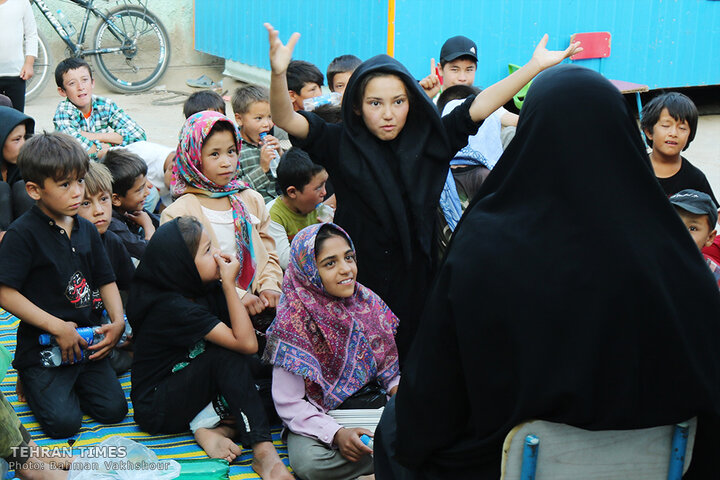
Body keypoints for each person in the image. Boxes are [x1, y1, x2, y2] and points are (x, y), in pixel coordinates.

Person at [372, 65, 720, 480]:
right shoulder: (672, 250)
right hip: (659, 463)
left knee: (395, 431)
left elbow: (433, 396)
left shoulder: (485, 245)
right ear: (623, 132)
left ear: (533, 130)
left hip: (501, 463)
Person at [265, 22, 580, 362]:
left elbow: (480, 104)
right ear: (356, 106)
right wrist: (278, 74)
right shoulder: (340, 142)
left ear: (411, 102)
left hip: (418, 277)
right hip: (356, 279)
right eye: (375, 103)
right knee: (363, 365)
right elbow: (286, 119)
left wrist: (533, 67)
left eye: (398, 101)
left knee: (415, 360)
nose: (388, 114)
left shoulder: (432, 142)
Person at [128, 217, 292, 479]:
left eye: (213, 245)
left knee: (283, 376)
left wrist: (225, 287)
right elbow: (244, 344)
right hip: (159, 404)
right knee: (228, 356)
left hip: (198, 382)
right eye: (207, 251)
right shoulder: (171, 307)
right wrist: (229, 284)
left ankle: (214, 427)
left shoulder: (200, 288)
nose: (217, 255)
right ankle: (264, 453)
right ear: (182, 266)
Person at [0, 132, 127, 439]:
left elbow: (105, 278)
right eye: (64, 184)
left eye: (79, 181)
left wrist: (118, 319)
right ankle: (30, 377)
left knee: (114, 411)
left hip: (86, 343)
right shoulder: (23, 234)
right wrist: (57, 326)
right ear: (34, 190)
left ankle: (70, 385)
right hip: (45, 346)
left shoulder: (84, 227)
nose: (77, 193)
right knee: (63, 425)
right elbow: (5, 293)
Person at [264, 223, 400, 479]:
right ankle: (398, 459)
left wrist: (397, 390)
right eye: (330, 263)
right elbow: (290, 403)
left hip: (375, 408)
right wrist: (337, 434)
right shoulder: (291, 324)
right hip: (321, 418)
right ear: (308, 271)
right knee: (309, 463)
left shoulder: (368, 302)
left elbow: (390, 374)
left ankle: (390, 456)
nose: (346, 269)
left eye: (349, 257)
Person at [162, 111, 283, 320]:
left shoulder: (250, 199)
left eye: (231, 151)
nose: (226, 162)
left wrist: (270, 287)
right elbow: (184, 275)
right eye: (214, 154)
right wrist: (237, 295)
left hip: (260, 308)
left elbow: (269, 253)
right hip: (211, 314)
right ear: (193, 158)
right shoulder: (178, 213)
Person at [53, 58, 146, 160]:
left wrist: (94, 136)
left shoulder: (104, 104)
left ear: (92, 83)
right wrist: (110, 145)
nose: (80, 87)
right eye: (72, 83)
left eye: (85, 80)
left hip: (105, 165)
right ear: (62, 91)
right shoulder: (64, 111)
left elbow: (138, 135)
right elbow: (75, 148)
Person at [640, 92, 717, 204]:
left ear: (690, 135)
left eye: (682, 128)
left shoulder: (695, 178)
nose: (673, 133)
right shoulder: (634, 169)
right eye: (666, 126)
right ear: (648, 132)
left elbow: (710, 215)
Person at [77, 161, 134, 294]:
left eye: (103, 199)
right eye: (85, 203)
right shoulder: (66, 247)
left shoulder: (113, 242)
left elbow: (130, 289)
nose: (98, 211)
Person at [267, 148, 328, 270]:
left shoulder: (318, 208)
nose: (324, 192)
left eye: (325, 184)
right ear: (292, 192)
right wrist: (325, 239)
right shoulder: (273, 215)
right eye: (318, 188)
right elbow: (286, 261)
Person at [103, 148, 158, 260]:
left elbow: (160, 221)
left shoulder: (128, 207)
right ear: (116, 199)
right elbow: (148, 252)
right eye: (140, 189)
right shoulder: (112, 225)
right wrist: (149, 227)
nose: (147, 192)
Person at [232, 85, 281, 202]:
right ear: (239, 119)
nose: (267, 124)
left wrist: (281, 154)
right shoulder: (234, 150)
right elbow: (235, 190)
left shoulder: (269, 141)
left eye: (269, 117)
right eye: (259, 118)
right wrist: (262, 168)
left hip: (279, 203)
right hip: (255, 210)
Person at [668, 189, 720, 288]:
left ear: (709, 238)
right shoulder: (643, 264)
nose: (680, 233)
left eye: (692, 228)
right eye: (673, 223)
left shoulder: (714, 276)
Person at [0, 106, 34, 231]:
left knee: (25, 188)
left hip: (22, 242)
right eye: (17, 139)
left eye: (24, 137)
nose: (24, 145)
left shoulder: (26, 166)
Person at [0, 0, 37, 112]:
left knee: (17, 119)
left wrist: (29, 63)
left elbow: (31, 34)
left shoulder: (21, 2)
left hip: (16, 73)